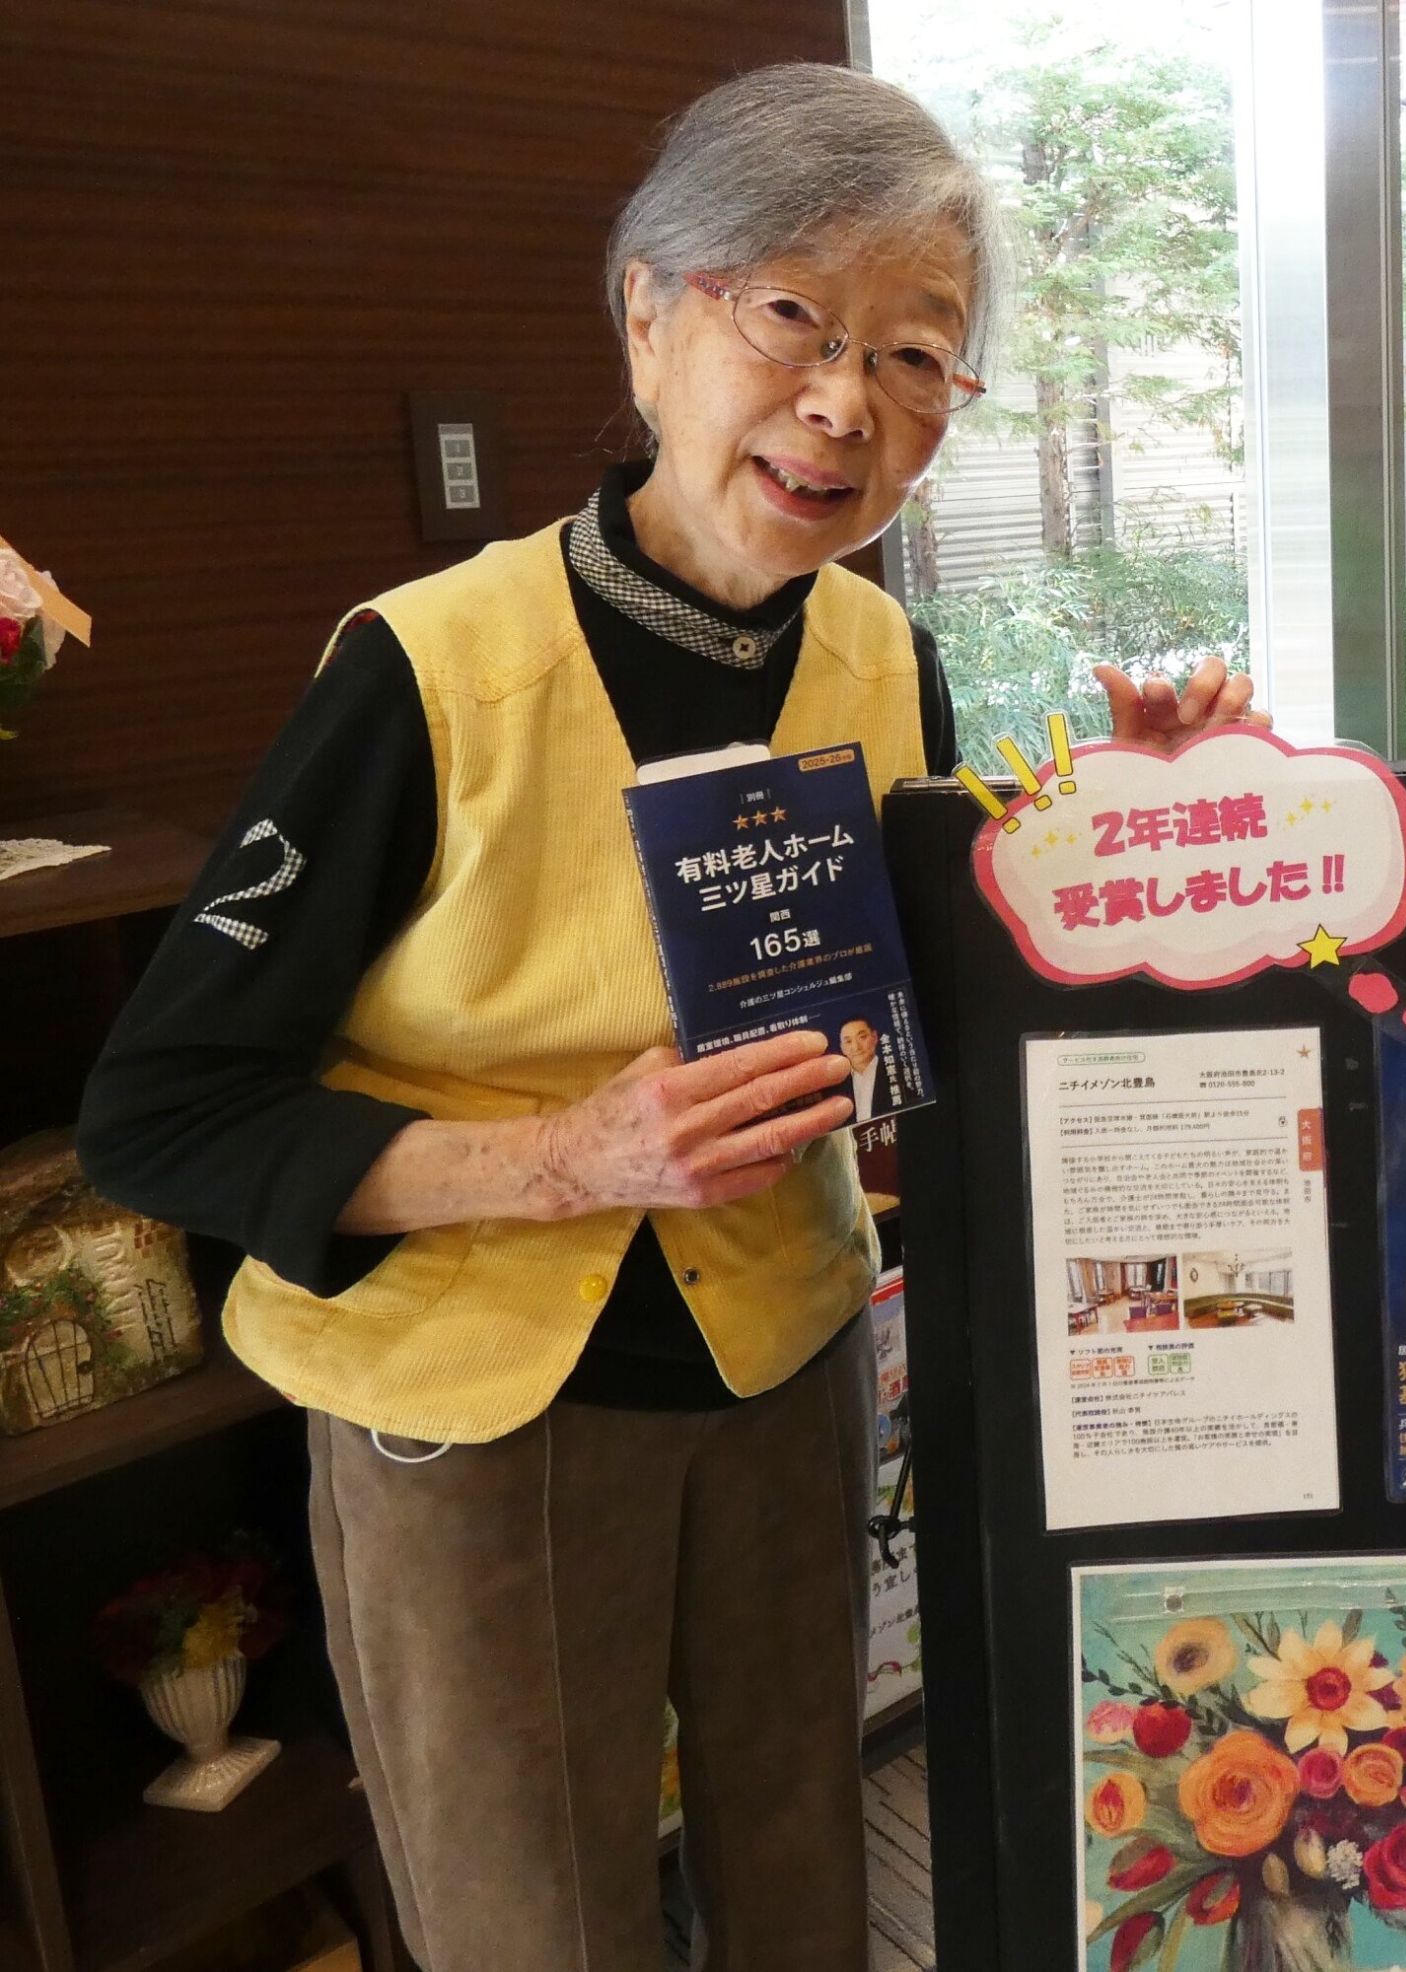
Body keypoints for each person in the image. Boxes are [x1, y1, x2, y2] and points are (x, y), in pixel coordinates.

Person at [76, 64, 1259, 1972]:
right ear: (649, 311)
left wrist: (1115, 818)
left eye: (915, 355)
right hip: (477, 1423)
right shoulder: (426, 667)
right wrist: (563, 1154)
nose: (842, 400)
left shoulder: (882, 650)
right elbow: (165, 1108)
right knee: (537, 1919)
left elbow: (920, 970)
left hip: (780, 1366)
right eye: (790, 314)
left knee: (801, 1879)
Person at [840, 1013, 884, 1121]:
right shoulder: (839, 1084)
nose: (856, 1047)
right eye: (848, 1041)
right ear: (842, 1048)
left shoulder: (900, 1072)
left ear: (874, 1037)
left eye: (862, 1037)